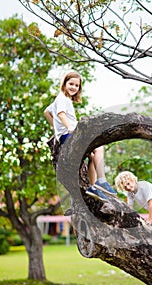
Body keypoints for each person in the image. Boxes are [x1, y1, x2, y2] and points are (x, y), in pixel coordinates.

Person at [44, 71, 116, 202]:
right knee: (99, 147)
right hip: (69, 136)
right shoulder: (61, 98)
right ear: (64, 84)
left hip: (66, 136)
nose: (73, 87)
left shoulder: (64, 99)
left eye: (76, 85)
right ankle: (101, 181)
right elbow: (61, 114)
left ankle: (93, 187)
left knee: (93, 156)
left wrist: (55, 129)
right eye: (71, 84)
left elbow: (47, 112)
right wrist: (68, 128)